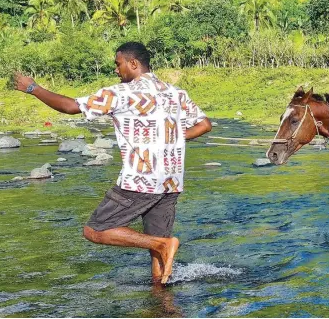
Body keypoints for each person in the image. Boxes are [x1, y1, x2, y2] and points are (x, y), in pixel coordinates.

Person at [13, 42, 212, 284]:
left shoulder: (121, 93)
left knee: (96, 230)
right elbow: (204, 124)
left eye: (118, 64)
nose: (116, 70)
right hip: (171, 181)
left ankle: (162, 244)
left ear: (133, 63)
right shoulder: (175, 92)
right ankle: (163, 304)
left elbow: (69, 107)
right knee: (159, 258)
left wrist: (33, 88)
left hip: (141, 179)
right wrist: (171, 138)